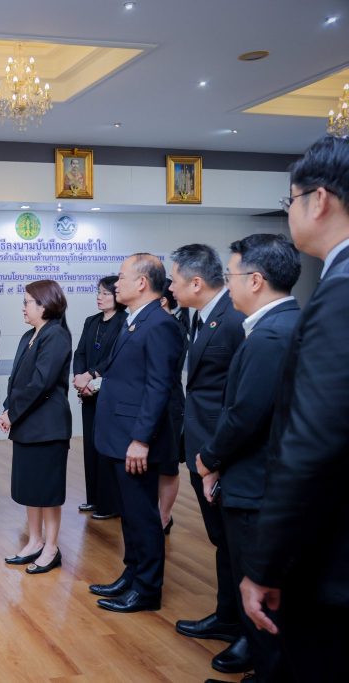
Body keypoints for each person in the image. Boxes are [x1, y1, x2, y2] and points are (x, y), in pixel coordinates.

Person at [241, 136, 349, 679]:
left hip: (332, 556)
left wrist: (267, 564)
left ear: (319, 200)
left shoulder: (340, 292)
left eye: (290, 201)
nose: (289, 214)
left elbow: (312, 442)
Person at [192, 234, 301, 682]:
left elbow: (245, 416)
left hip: (254, 484)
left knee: (259, 593)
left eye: (231, 275)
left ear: (255, 280)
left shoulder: (270, 336)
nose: (227, 284)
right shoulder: (289, 323)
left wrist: (208, 458)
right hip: (267, 479)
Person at [169, 244, 250, 675]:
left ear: (196, 283)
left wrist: (215, 457)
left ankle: (248, 634)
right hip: (201, 447)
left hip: (221, 453)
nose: (171, 287)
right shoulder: (200, 318)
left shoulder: (233, 321)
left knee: (237, 545)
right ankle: (227, 615)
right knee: (222, 540)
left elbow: (238, 399)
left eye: (175, 280)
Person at [88, 254, 183, 613]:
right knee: (129, 513)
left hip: (136, 440)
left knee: (143, 515)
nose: (116, 284)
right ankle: (131, 574)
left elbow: (158, 387)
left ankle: (147, 589)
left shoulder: (159, 324)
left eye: (122, 277)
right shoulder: (135, 320)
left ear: (142, 282)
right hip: (119, 435)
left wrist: (141, 439)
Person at [0, 280, 72, 573]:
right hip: (28, 424)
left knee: (48, 491)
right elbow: (18, 380)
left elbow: (41, 384)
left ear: (44, 305)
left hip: (47, 427)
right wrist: (8, 408)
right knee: (31, 488)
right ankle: (35, 541)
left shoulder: (56, 335)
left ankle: (51, 548)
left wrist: (13, 414)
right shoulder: (30, 335)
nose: (23, 307)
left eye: (27, 302)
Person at [72, 275, 126, 519]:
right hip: (88, 394)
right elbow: (80, 352)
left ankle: (109, 504)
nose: (99, 297)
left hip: (108, 393)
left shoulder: (124, 322)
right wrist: (79, 377)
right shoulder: (91, 321)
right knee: (90, 447)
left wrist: (91, 375)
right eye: (98, 292)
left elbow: (115, 358)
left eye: (105, 293)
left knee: (106, 448)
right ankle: (93, 498)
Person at [157, 281, 184, 535]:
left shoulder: (172, 327)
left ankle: (164, 516)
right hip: (156, 403)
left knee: (168, 465)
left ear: (163, 300)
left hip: (170, 404)